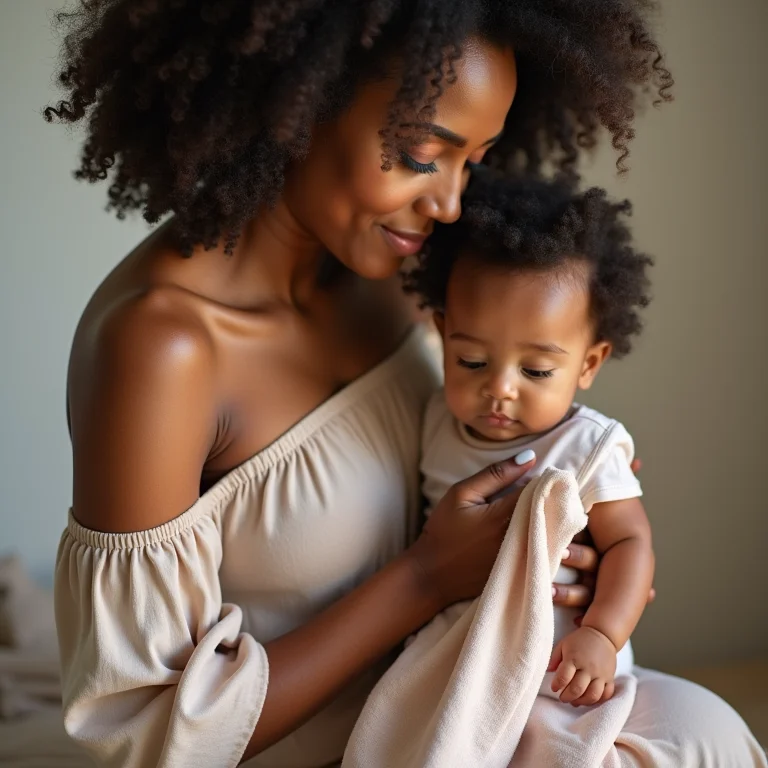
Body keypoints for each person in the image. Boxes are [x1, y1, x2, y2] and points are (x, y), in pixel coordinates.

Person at [44, 2, 765, 766]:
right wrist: (425, 576)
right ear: (295, 100)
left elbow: (478, 431)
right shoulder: (164, 346)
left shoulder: (392, 271)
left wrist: (574, 531)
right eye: (424, 153)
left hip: (465, 711)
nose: (450, 203)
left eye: (474, 162)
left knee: (700, 730)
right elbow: (143, 737)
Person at [405, 173, 652, 713]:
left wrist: (605, 635)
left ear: (588, 364)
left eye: (537, 371)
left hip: (562, 670)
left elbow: (630, 544)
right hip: (460, 665)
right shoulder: (434, 422)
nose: (499, 388)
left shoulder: (587, 445)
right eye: (471, 361)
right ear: (443, 335)